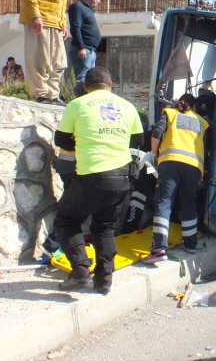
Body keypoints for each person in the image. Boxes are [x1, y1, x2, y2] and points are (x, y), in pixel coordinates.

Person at [52, 66, 144, 295]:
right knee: (105, 226)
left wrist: (84, 143)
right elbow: (138, 141)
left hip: (92, 175)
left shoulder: (77, 104)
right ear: (111, 85)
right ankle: (104, 279)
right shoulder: (128, 107)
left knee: (66, 220)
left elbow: (62, 139)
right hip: (122, 178)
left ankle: (81, 272)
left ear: (85, 87)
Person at [142, 93, 209, 264]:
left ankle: (158, 249)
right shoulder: (202, 122)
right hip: (194, 167)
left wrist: (153, 153)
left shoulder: (170, 113)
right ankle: (191, 244)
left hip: (170, 162)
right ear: (193, 107)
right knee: (189, 203)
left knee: (164, 202)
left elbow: (157, 131)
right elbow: (207, 146)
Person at [19, 0, 77, 106]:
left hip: (56, 22)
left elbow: (62, 0)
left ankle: (53, 94)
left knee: (59, 63)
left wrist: (63, 23)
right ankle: (41, 94)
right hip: (41, 19)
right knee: (40, 60)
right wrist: (35, 15)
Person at [67, 0, 102, 96]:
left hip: (89, 50)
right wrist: (81, 47)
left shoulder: (86, 8)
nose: (99, 1)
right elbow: (75, 27)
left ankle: (87, 100)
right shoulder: (77, 6)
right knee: (82, 78)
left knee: (89, 80)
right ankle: (79, 101)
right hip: (83, 50)